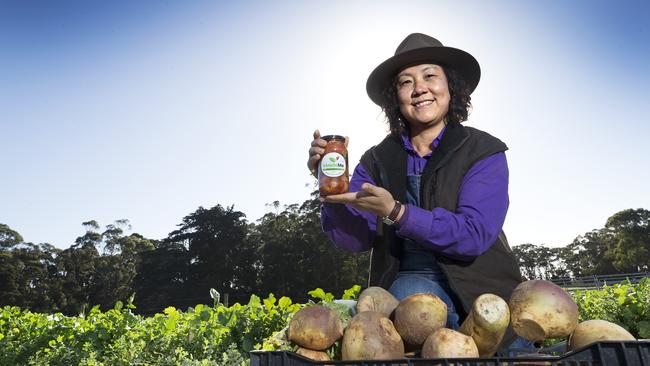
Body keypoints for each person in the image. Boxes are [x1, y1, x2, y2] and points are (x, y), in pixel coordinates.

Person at [307, 33, 531, 353]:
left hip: (484, 284)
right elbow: (354, 239)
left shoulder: (484, 151)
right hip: (410, 282)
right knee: (408, 296)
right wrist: (331, 193)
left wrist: (398, 212)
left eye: (430, 76)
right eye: (405, 81)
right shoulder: (375, 161)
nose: (419, 88)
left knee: (511, 346)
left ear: (450, 87)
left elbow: (474, 234)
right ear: (395, 97)